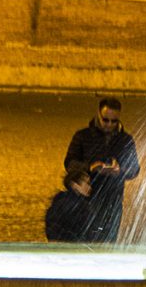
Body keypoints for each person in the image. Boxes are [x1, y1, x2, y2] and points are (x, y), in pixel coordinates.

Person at [64, 97, 140, 242]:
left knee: (108, 243)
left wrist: (120, 171)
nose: (109, 125)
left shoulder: (125, 140)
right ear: (98, 114)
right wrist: (90, 168)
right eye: (105, 120)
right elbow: (69, 163)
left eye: (114, 121)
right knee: (84, 241)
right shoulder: (82, 136)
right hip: (84, 200)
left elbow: (135, 169)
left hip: (113, 202)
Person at [44, 165, 92, 242]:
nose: (89, 187)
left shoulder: (60, 202)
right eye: (87, 183)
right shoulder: (77, 205)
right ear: (75, 185)